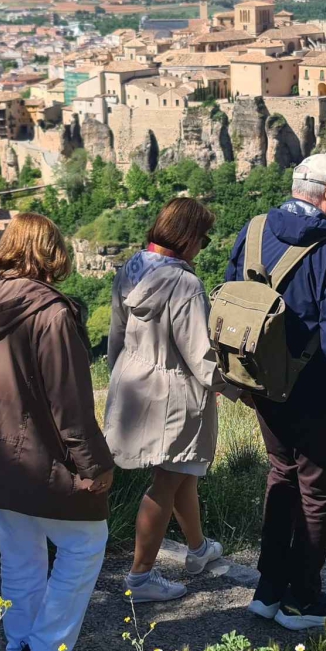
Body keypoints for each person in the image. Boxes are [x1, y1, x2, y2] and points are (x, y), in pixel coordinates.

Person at [225, 153, 326, 631]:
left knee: (282, 475)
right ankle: (302, 601)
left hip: (262, 381)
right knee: (316, 490)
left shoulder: (254, 230)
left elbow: (233, 302)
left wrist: (237, 375)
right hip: (313, 388)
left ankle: (269, 589)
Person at [0, 213, 114, 651]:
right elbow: (69, 402)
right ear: (52, 252)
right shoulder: (52, 313)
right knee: (86, 544)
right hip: (37, 452)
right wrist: (95, 465)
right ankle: (45, 650)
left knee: (20, 554)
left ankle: (19, 644)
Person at [103, 198, 224, 602]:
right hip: (175, 393)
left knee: (182, 471)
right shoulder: (185, 284)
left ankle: (198, 549)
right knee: (166, 482)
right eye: (204, 238)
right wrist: (237, 389)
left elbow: (116, 336)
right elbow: (201, 355)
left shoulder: (131, 268)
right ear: (188, 237)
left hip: (135, 384)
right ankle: (140, 577)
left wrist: (119, 379)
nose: (203, 246)